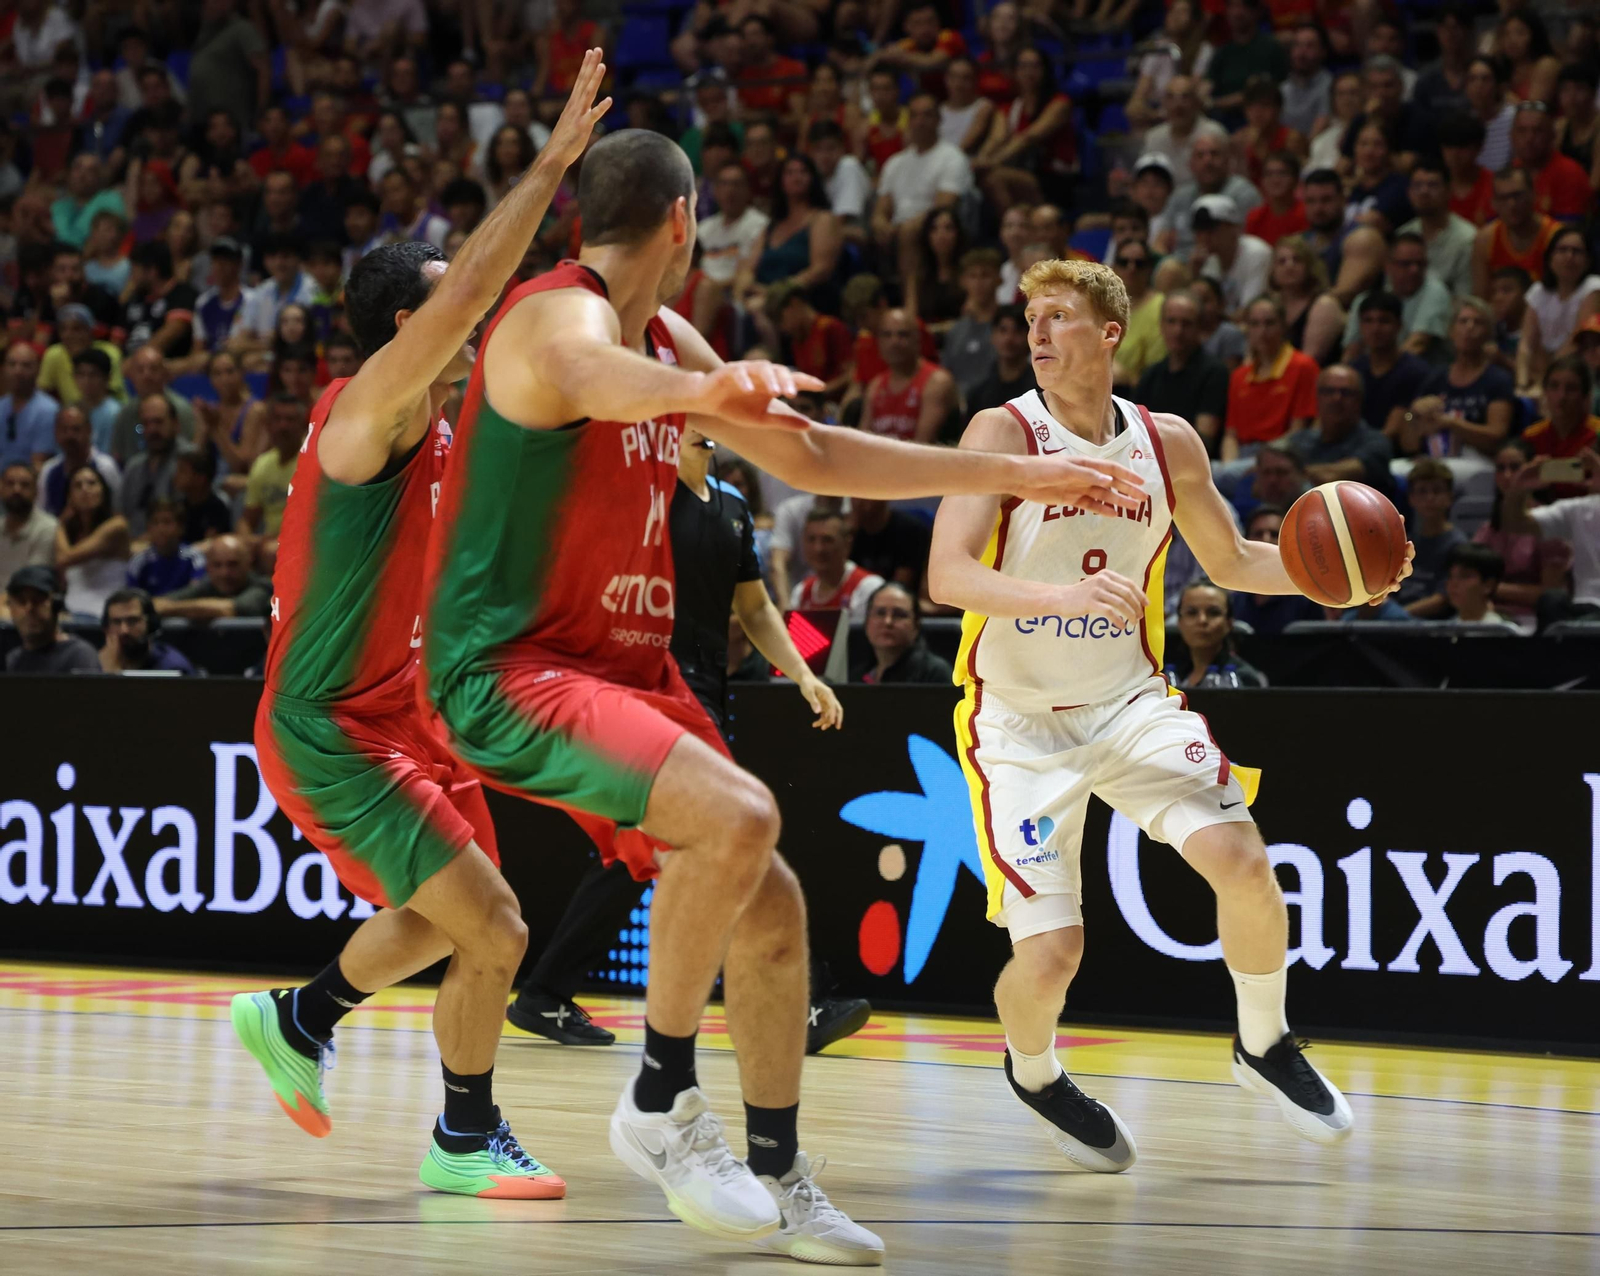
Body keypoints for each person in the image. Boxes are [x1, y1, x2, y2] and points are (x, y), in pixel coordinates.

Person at [415, 125, 1150, 1262]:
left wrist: (1012, 472)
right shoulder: (556, 315)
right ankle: (660, 1099)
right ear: (682, 220)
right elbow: (592, 379)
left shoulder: (663, 335)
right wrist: (703, 386)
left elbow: (809, 455)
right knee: (744, 816)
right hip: (508, 669)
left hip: (623, 670)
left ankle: (781, 1169)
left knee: (774, 900)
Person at [223, 56, 611, 1205]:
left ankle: (299, 1015)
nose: (480, 311)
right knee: (494, 922)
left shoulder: (454, 428)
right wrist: (545, 169)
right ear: (410, 323)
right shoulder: (365, 413)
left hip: (405, 709)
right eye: (457, 299)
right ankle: (461, 1136)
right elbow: (466, 304)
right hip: (330, 722)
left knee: (447, 923)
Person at [927, 258, 1402, 1176]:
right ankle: (1034, 1073)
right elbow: (948, 575)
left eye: (1059, 315)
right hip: (1017, 725)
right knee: (1054, 954)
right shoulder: (1001, 429)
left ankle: (1263, 1045)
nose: (1036, 331)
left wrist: (1343, 581)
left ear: (1110, 334)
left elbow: (1230, 560)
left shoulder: (1165, 439)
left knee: (1241, 859)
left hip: (1129, 699)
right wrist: (1050, 592)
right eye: (1030, 316)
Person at [509, 425, 864, 1056]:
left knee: (637, 854)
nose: (706, 422)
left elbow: (754, 610)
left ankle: (543, 993)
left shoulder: (729, 506)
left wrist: (804, 673)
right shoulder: (636, 496)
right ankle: (800, 1004)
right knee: (731, 837)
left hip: (703, 692)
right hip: (645, 695)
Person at [1402, 296, 1518, 461]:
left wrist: (1450, 423)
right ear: (1451, 331)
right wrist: (1412, 413)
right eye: (1463, 321)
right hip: (1434, 459)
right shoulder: (1436, 378)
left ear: (1488, 333)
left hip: (1479, 461)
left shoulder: (1497, 379)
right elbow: (1408, 445)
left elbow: (1496, 438)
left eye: (1478, 322)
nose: (1469, 327)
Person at [872, 94, 972, 277]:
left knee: (909, 232)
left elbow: (943, 207)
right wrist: (881, 225)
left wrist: (904, 228)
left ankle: (911, 302)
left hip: (932, 229)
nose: (920, 121)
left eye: (927, 115)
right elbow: (881, 209)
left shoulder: (952, 157)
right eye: (914, 115)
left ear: (938, 119)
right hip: (897, 231)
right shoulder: (894, 162)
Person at [1503, 446, 1600, 630]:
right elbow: (1515, 524)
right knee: (1551, 601)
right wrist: (1519, 488)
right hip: (1584, 607)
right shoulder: (1578, 508)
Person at [1220, 296, 1318, 467]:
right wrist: (1229, 465)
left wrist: (1260, 461)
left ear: (1283, 326)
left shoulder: (1303, 366)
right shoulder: (1239, 376)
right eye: (1255, 324)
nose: (1262, 332)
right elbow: (1231, 435)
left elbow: (1299, 430)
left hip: (1282, 456)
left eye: (1269, 323)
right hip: (1242, 456)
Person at [1136, 292, 1228, 455]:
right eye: (1171, 321)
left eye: (1186, 324)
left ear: (1200, 327)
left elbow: (1204, 440)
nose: (1178, 331)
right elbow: (1133, 428)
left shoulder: (1214, 372)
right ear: (1161, 325)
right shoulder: (1151, 374)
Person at [1343, 233, 1454, 362]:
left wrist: (1382, 372)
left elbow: (1417, 344)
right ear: (1388, 265)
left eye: (1420, 264)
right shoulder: (1364, 300)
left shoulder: (1435, 291)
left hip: (1418, 373)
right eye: (1406, 264)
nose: (1414, 270)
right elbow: (1351, 352)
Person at [1285, 364, 1394, 494]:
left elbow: (1336, 477)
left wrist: (1292, 474)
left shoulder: (1377, 442)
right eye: (1328, 391)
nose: (1336, 398)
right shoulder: (1298, 441)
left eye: (1346, 393)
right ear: (1317, 397)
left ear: (1360, 400)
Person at [1518, 229, 1600, 394]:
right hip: (1542, 370)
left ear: (1588, 260)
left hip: (1579, 373)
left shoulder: (1593, 287)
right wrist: (1522, 383)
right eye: (1562, 250)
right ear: (1550, 258)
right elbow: (1526, 343)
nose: (1569, 256)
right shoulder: (1538, 291)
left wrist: (1545, 382)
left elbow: (1577, 341)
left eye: (1576, 251)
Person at [858, 308, 957, 443]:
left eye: (903, 334)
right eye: (887, 335)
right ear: (879, 341)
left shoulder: (936, 382)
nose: (894, 342)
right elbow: (862, 442)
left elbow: (922, 446)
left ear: (917, 340)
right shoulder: (875, 386)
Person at [1347, 292, 1433, 441]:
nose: (1375, 328)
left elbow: (1396, 426)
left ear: (1399, 326)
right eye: (1368, 321)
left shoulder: (1416, 372)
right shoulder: (1353, 371)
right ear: (1360, 326)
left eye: (1384, 321)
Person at [55, 463, 130, 620]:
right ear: (69, 497)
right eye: (78, 485)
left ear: (103, 491)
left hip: (106, 615)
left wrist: (60, 524)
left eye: (92, 483)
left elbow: (64, 559)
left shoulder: (117, 525)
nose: (85, 489)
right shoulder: (71, 534)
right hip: (70, 612)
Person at [1230, 505, 1321, 634]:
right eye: (1258, 534)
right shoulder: (1234, 598)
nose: (1265, 539)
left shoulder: (1308, 597)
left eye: (1274, 534)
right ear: (1246, 540)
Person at [1470, 166, 1557, 302]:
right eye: (1503, 198)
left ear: (1534, 194)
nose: (1511, 204)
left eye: (1517, 195)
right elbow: (1481, 301)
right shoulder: (1485, 239)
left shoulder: (1555, 237)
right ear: (1493, 203)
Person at [1396, 160, 1478, 300]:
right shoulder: (1402, 235)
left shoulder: (1468, 238)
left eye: (1432, 185)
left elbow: (1465, 299)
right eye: (1417, 186)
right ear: (1409, 192)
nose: (1424, 192)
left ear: (1448, 191)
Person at [1522, 357, 1600, 500]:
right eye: (1554, 386)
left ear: (1585, 395)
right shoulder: (1531, 436)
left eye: (1571, 389)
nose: (1561, 396)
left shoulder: (1597, 433)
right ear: (1545, 391)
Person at [1164, 580, 1267, 688]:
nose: (1202, 620)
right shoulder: (1167, 675)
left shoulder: (1244, 678)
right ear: (1179, 622)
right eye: (1191, 612)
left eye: (1213, 613)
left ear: (1229, 622)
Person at [789, 506, 886, 620]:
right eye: (811, 539)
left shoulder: (868, 587)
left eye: (827, 540)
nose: (818, 549)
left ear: (847, 544)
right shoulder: (801, 592)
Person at [1398, 458, 1466, 618]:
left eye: (1437, 491)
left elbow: (1443, 599)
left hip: (1434, 626)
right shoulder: (1403, 540)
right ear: (1411, 498)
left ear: (1450, 497)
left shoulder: (1458, 544)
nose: (1430, 498)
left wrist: (1395, 616)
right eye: (1422, 491)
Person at [3, 564, 99, 673]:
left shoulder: (79, 655)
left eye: (37, 600)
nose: (28, 609)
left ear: (56, 605)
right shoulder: (14, 660)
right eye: (21, 601)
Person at [853, 580, 951, 682]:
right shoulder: (856, 676)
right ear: (866, 621)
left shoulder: (935, 673)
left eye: (899, 614)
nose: (888, 622)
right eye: (880, 613)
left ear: (916, 625)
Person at [1191, 195, 1271, 318]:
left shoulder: (1257, 253)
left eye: (1211, 230)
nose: (1204, 237)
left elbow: (1249, 313)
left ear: (1235, 228)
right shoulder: (1207, 258)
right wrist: (1194, 273)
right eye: (1199, 230)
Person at [942, 249, 1004, 400]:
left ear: (999, 279)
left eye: (985, 275)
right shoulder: (956, 331)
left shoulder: (1008, 327)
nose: (979, 283)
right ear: (963, 281)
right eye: (973, 276)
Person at [98, 586, 197, 673]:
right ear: (106, 627)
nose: (124, 630)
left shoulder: (173, 668)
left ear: (150, 624)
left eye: (132, 621)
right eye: (116, 622)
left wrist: (111, 675)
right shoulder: (96, 662)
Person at [1110, 238, 1165, 386]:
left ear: (1149, 269)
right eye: (1124, 262)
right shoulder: (1102, 306)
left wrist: (1125, 377)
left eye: (1139, 264)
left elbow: (1157, 371)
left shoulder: (1161, 307)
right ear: (1114, 267)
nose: (1131, 268)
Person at [126, 497, 206, 597]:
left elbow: (196, 593)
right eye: (155, 522)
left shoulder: (194, 558)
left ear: (181, 528)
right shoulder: (139, 562)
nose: (160, 529)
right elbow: (133, 600)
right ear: (149, 528)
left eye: (167, 522)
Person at [966, 304, 1037, 417]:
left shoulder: (1041, 389)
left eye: (1017, 331)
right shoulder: (978, 394)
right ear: (992, 335)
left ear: (1029, 336)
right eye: (1003, 330)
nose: (1009, 338)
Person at [0, 342, 60, 472]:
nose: (18, 371)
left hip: (30, 484)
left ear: (38, 369)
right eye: (12, 364)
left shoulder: (48, 410)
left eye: (25, 365)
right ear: (4, 368)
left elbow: (39, 464)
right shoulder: (1, 406)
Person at [0, 462, 56, 589]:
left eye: (25, 485)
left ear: (36, 491)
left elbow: (31, 582)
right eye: (10, 483)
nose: (16, 489)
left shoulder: (47, 528)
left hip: (23, 602)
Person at [1441, 544, 1513, 626]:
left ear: (1488, 585)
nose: (1453, 583)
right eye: (1450, 576)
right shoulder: (1444, 629)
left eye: (1465, 576)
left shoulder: (1501, 630)